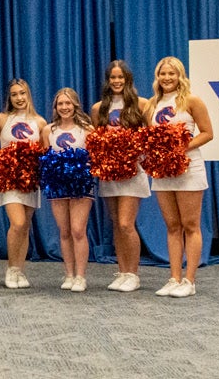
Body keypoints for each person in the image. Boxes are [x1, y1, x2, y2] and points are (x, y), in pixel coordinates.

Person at [147, 56, 214, 298]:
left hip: (189, 169)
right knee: (172, 226)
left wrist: (179, 148)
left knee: (190, 225)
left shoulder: (192, 101)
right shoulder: (152, 105)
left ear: (180, 76)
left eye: (171, 74)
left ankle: (190, 280)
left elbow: (208, 133)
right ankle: (174, 277)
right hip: (163, 172)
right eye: (162, 74)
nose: (167, 78)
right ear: (157, 77)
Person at [88, 60, 150, 292]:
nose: (116, 81)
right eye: (113, 78)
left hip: (133, 172)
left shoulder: (142, 104)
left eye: (120, 77)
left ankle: (134, 273)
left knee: (126, 223)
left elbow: (148, 138)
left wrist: (136, 155)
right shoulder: (98, 109)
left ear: (127, 79)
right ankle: (122, 271)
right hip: (109, 174)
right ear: (108, 80)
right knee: (116, 223)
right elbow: (96, 141)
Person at [0, 79, 46, 289]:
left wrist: (32, 165)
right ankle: (11, 269)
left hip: (30, 180)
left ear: (28, 95)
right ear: (9, 98)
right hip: (9, 178)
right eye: (14, 94)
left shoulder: (39, 122)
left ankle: (20, 271)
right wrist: (4, 161)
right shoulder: (1, 119)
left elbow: (42, 151)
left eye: (22, 93)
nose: (19, 98)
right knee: (18, 223)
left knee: (25, 226)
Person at [41, 87, 95, 292]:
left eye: (68, 103)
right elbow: (46, 158)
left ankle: (81, 276)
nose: (64, 107)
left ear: (75, 105)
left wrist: (80, 170)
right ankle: (69, 274)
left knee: (78, 230)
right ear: (55, 107)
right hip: (57, 185)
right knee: (64, 231)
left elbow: (93, 158)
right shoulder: (48, 130)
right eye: (60, 104)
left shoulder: (87, 129)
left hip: (81, 184)